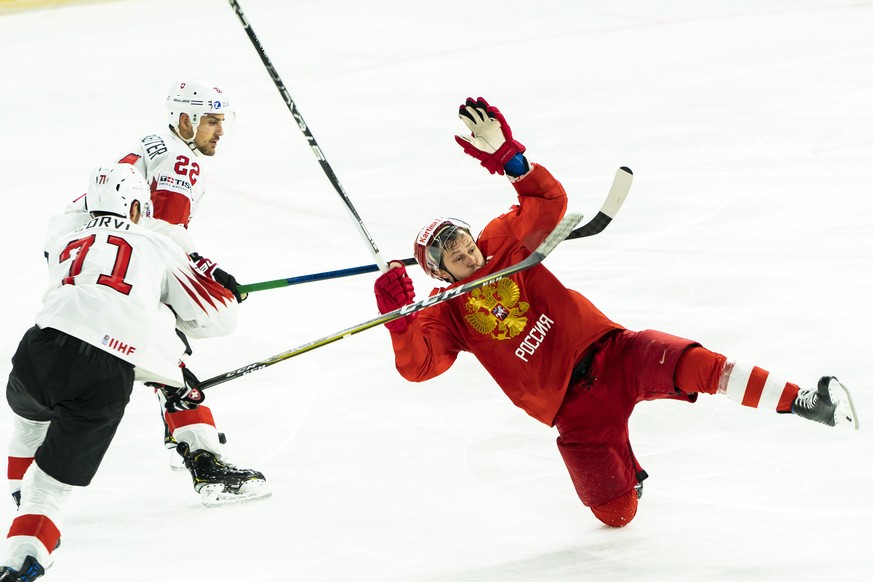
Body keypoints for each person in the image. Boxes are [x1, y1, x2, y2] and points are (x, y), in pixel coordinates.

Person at [373, 97, 860, 528]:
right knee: (616, 514)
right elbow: (418, 366)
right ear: (437, 273)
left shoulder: (502, 239)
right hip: (574, 411)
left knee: (704, 366)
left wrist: (512, 159)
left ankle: (804, 403)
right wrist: (400, 319)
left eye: (459, 238)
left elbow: (547, 201)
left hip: (616, 353)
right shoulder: (443, 314)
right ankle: (629, 474)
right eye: (448, 253)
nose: (461, 250)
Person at [0, 164, 250, 581]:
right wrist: (218, 290)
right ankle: (22, 555)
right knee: (51, 490)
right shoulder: (154, 242)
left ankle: (19, 498)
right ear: (136, 207)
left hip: (38, 349)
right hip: (102, 369)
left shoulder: (66, 238)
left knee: (30, 421)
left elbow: (98, 290)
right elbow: (216, 320)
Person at [28, 80, 268, 506]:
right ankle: (201, 454)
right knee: (191, 328)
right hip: (117, 255)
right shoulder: (180, 161)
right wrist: (208, 270)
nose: (220, 130)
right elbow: (162, 230)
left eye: (221, 120)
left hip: (73, 253)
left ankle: (185, 423)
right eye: (211, 120)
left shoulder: (154, 143)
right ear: (185, 119)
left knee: (144, 343)